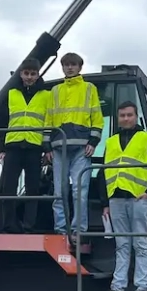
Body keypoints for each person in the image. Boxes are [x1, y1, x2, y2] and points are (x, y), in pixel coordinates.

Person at [95, 100, 147, 291]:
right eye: (122, 115)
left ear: (136, 117)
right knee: (122, 245)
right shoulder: (111, 142)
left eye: (129, 115)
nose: (126, 118)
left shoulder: (146, 139)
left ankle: (142, 290)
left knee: (140, 244)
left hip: (138, 199)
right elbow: (103, 174)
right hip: (116, 200)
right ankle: (117, 289)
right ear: (118, 118)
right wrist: (105, 202)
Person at [42, 52, 104, 245]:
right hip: (58, 148)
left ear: (79, 67)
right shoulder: (55, 91)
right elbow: (48, 118)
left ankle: (78, 231)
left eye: (73, 64)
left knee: (80, 192)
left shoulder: (89, 88)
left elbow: (97, 117)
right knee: (59, 192)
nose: (69, 68)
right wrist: (46, 146)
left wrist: (93, 142)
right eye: (66, 64)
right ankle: (61, 230)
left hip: (81, 148)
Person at [0, 57, 50, 233]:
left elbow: (50, 122)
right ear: (21, 74)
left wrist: (47, 149)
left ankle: (29, 226)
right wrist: (0, 149)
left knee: (33, 188)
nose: (29, 77)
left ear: (38, 75)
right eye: (26, 73)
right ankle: (9, 225)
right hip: (13, 146)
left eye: (33, 74)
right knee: (8, 188)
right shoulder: (11, 94)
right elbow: (1, 122)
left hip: (35, 147)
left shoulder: (47, 95)